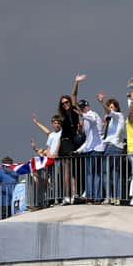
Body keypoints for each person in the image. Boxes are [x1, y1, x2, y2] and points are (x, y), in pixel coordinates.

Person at [57, 74, 88, 203]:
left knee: (73, 170)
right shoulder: (63, 116)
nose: (65, 104)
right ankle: (67, 195)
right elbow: (61, 134)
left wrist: (76, 82)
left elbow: (74, 95)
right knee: (66, 171)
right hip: (65, 143)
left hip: (73, 142)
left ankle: (74, 194)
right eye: (63, 103)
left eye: (66, 102)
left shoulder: (74, 110)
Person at [97, 93, 126, 204]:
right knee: (115, 173)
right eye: (109, 107)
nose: (110, 109)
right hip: (115, 146)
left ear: (116, 108)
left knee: (105, 172)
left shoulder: (118, 115)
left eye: (112, 107)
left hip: (112, 146)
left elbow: (109, 112)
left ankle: (109, 196)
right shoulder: (110, 119)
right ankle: (116, 197)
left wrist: (101, 102)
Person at [74, 99, 105, 203]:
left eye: (83, 107)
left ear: (88, 106)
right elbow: (88, 140)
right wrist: (78, 151)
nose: (83, 109)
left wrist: (81, 113)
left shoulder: (93, 114)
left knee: (96, 174)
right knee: (89, 174)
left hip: (97, 149)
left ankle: (97, 196)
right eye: (81, 108)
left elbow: (92, 119)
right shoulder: (85, 119)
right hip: (89, 150)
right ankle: (89, 196)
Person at [31, 114, 63, 205]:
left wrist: (55, 153)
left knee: (57, 178)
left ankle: (57, 198)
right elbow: (48, 147)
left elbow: (57, 143)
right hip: (50, 159)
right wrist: (37, 123)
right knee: (51, 179)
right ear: (52, 124)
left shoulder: (62, 133)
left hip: (57, 159)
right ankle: (51, 198)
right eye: (55, 123)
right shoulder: (51, 135)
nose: (56, 125)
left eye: (58, 123)